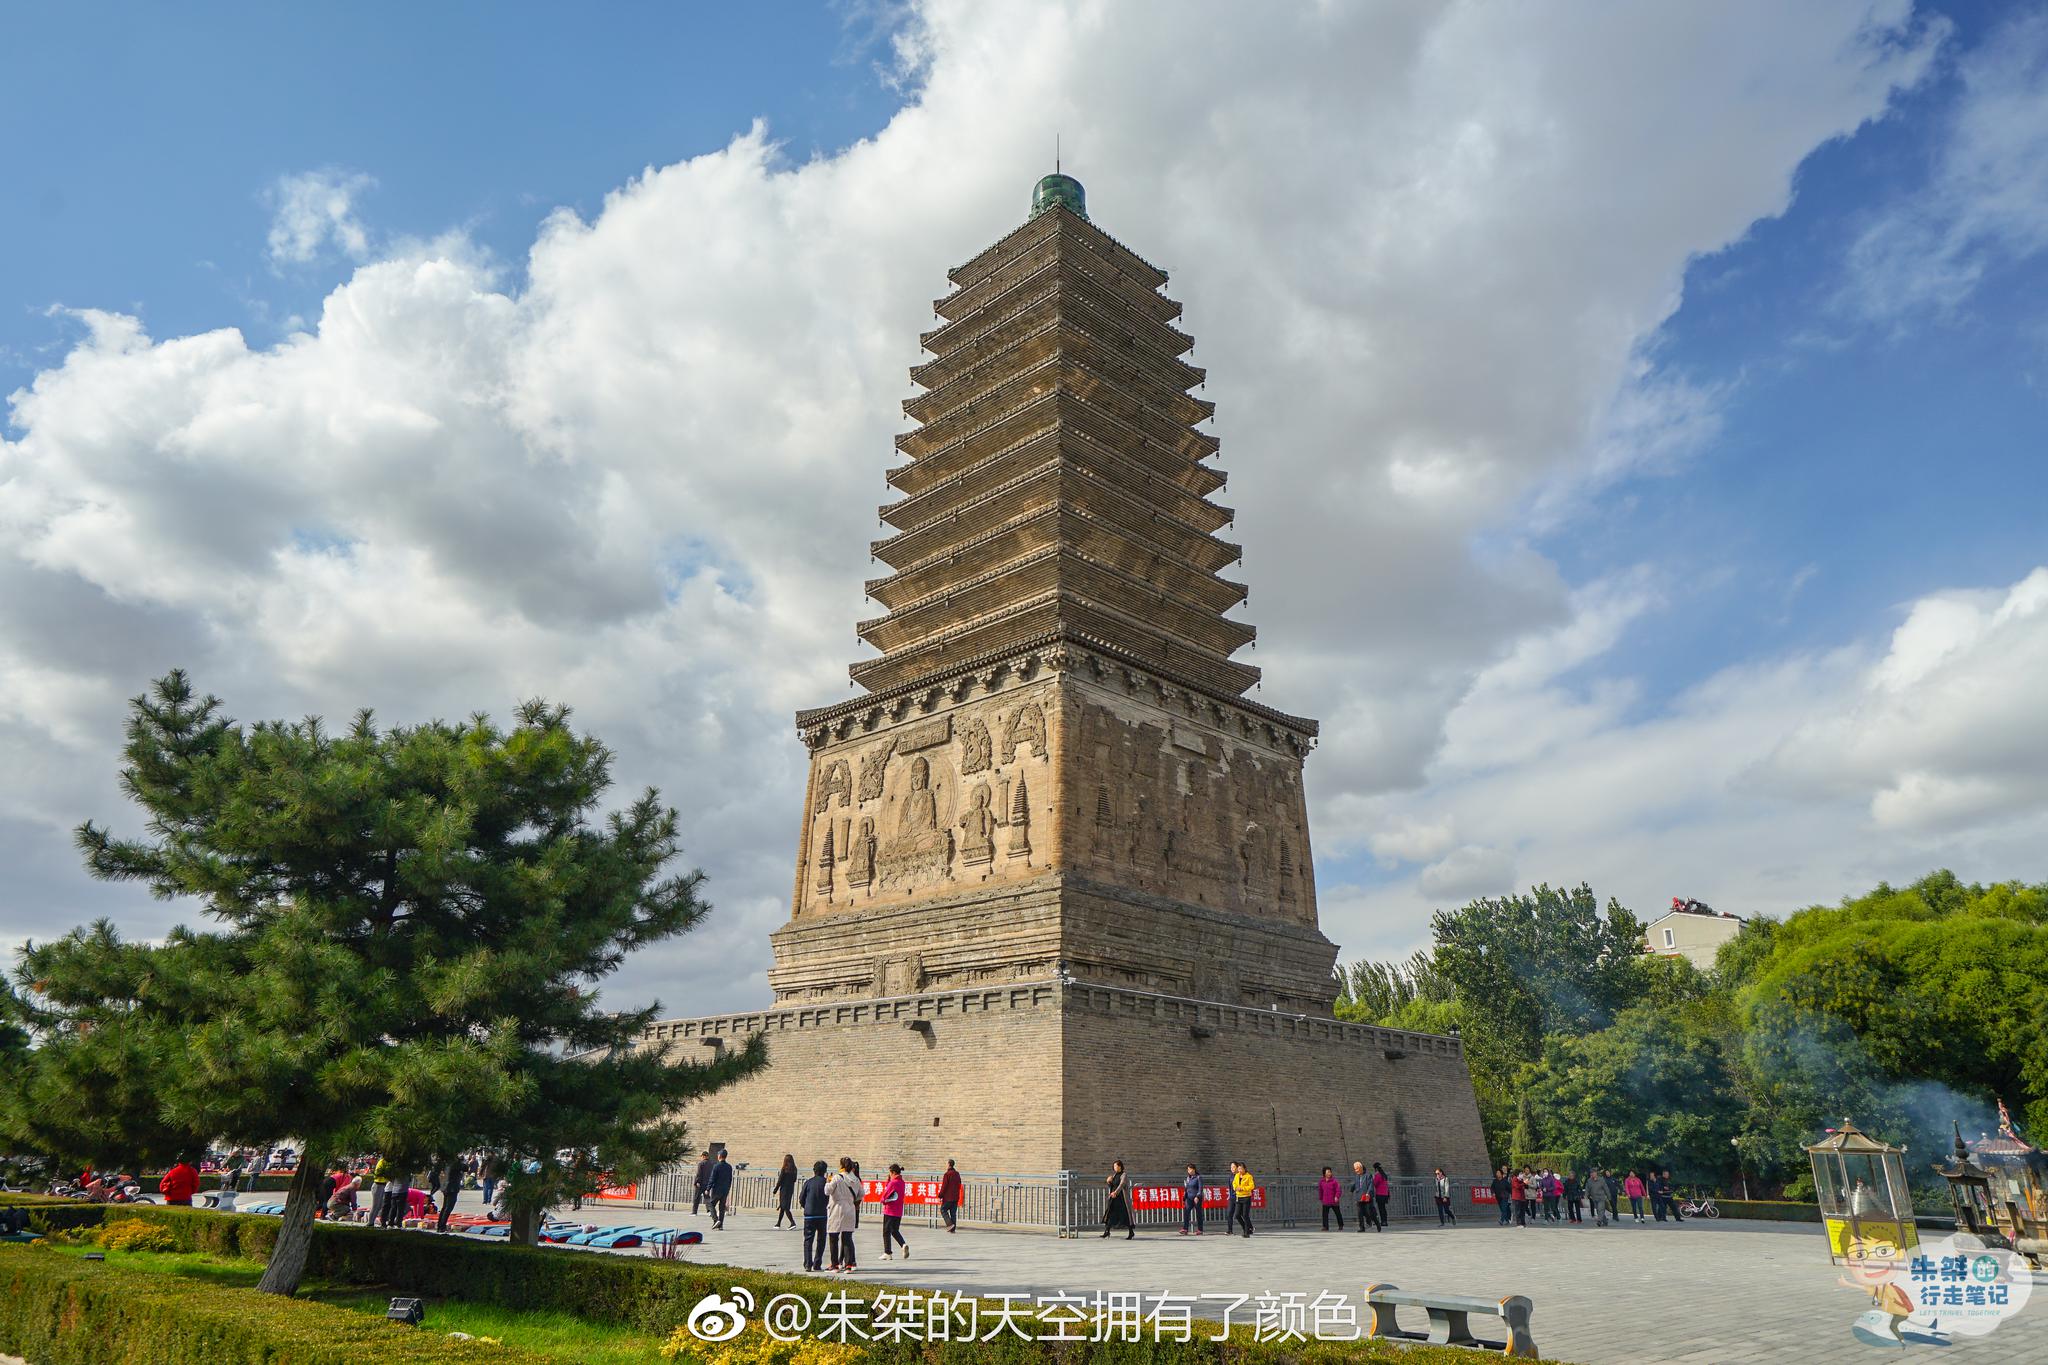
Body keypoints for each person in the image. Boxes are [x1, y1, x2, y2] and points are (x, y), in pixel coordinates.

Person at [826, 1157, 861, 1272]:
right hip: (850, 1209)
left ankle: (835, 1264)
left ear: (841, 1166)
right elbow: (861, 1194)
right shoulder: (855, 1179)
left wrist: (827, 1181)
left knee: (833, 1237)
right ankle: (849, 1264)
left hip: (837, 1209)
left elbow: (827, 1191)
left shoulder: (837, 1177)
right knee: (847, 1238)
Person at [800, 1160, 830, 1271]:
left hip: (809, 1215)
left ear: (814, 1170)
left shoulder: (808, 1182)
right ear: (825, 1171)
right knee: (821, 1240)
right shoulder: (826, 1183)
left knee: (808, 1240)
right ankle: (817, 1263)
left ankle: (808, 1264)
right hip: (822, 1215)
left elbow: (801, 1199)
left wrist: (807, 1208)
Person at [880, 1162, 912, 1259]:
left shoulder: (893, 1183)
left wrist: (882, 1200)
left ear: (893, 1172)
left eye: (890, 1173)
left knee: (886, 1231)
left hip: (890, 1210)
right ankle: (903, 1245)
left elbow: (885, 1194)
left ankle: (887, 1252)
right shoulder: (902, 1182)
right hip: (898, 1211)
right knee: (894, 1230)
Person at [1102, 1159, 1133, 1240]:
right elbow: (1112, 1186)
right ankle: (1107, 1231)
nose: (1114, 1167)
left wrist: (1115, 1192)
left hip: (1122, 1199)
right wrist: (1109, 1182)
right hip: (1114, 1198)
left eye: (1116, 1166)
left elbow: (1121, 1185)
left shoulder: (1124, 1175)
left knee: (1125, 1215)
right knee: (1110, 1213)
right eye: (1114, 1166)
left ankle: (1131, 1232)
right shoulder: (1114, 1175)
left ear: (1120, 1166)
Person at [709, 1152, 734, 1230]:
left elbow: (712, 1178)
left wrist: (708, 1188)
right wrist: (728, 1188)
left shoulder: (716, 1166)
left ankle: (716, 1220)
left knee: (711, 1204)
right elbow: (730, 1179)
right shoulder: (729, 1167)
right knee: (722, 1207)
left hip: (717, 1189)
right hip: (725, 1190)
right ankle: (721, 1225)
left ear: (719, 1156)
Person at [1231, 1161, 1255, 1238]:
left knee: (1245, 1215)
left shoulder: (1249, 1176)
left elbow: (1252, 1186)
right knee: (1237, 1215)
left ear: (1245, 1169)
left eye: (1241, 1169)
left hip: (1246, 1197)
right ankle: (1247, 1228)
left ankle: (1246, 1232)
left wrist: (1243, 1188)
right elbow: (1234, 1183)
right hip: (1239, 1197)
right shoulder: (1237, 1175)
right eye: (1239, 1169)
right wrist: (1235, 1188)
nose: (1240, 1170)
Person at [436, 1162, 463, 1232]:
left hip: (446, 1187)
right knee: (448, 1208)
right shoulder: (456, 1163)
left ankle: (440, 1226)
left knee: (444, 1208)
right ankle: (442, 1227)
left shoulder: (446, 1163)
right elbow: (465, 1167)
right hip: (452, 1188)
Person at [774, 1154, 800, 1229]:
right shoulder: (794, 1169)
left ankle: (792, 1222)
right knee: (783, 1206)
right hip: (790, 1189)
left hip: (784, 1189)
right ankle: (778, 1223)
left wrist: (776, 1189)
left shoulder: (784, 1169)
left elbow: (780, 1180)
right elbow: (794, 1180)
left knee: (785, 1207)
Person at [1353, 1160, 1379, 1232]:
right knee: (1360, 1213)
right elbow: (1355, 1184)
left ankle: (1377, 1223)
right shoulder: (1356, 1176)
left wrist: (1368, 1193)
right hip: (1359, 1197)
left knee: (1369, 1212)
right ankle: (1362, 1227)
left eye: (1357, 1169)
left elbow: (1371, 1185)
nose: (1356, 1170)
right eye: (1355, 1169)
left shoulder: (1368, 1175)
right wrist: (1352, 1190)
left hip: (1367, 1197)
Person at [939, 1159, 963, 1233]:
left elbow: (944, 1186)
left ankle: (949, 1224)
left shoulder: (947, 1174)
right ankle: (953, 1229)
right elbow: (959, 1184)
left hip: (948, 1197)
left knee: (943, 1210)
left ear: (949, 1164)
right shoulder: (957, 1174)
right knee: (953, 1213)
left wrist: (940, 1195)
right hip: (955, 1197)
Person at [1180, 1163, 1203, 1236]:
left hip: (1196, 1198)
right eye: (1188, 1169)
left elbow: (1200, 1188)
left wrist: (1198, 1196)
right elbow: (1186, 1188)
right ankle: (1185, 1228)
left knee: (1198, 1214)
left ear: (1194, 1169)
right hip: (1189, 1198)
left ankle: (1200, 1229)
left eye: (1190, 1169)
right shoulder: (1188, 1178)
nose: (1188, 1171)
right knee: (1186, 1212)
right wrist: (1184, 1197)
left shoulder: (1198, 1177)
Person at [1318, 1166, 1344, 1231]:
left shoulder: (1334, 1181)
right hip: (1325, 1201)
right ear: (1324, 1173)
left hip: (1334, 1201)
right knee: (1325, 1215)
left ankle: (1341, 1225)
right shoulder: (1321, 1181)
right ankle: (1325, 1227)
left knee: (1338, 1213)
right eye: (1328, 1172)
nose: (1329, 1173)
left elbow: (1338, 1190)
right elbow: (1320, 1191)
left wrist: (1337, 1197)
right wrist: (1321, 1198)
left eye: (1330, 1172)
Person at [1371, 1162, 1392, 1229]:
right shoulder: (1384, 1175)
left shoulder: (1378, 1175)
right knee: (1383, 1208)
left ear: (1376, 1168)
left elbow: (1374, 1183)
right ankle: (1385, 1221)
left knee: (1381, 1208)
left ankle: (1383, 1222)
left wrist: (1373, 1177)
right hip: (1385, 1194)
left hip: (1380, 1194)